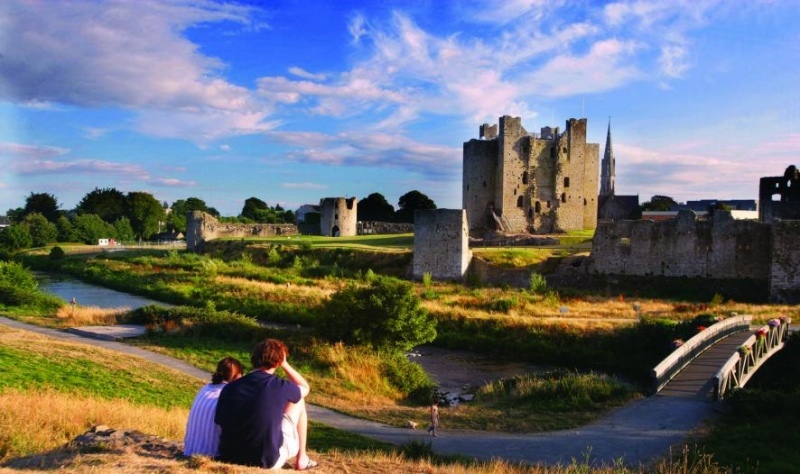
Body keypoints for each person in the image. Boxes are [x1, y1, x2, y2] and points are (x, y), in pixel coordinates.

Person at [215, 339, 316, 470]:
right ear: (278, 362)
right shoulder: (280, 386)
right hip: (266, 460)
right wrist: (285, 365)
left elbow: (219, 420)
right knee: (299, 399)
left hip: (229, 456)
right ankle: (302, 458)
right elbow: (304, 387)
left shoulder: (230, 387)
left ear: (254, 358)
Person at [184, 357, 243, 457]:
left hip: (190, 450)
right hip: (212, 453)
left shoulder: (205, 388)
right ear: (238, 376)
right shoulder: (230, 394)